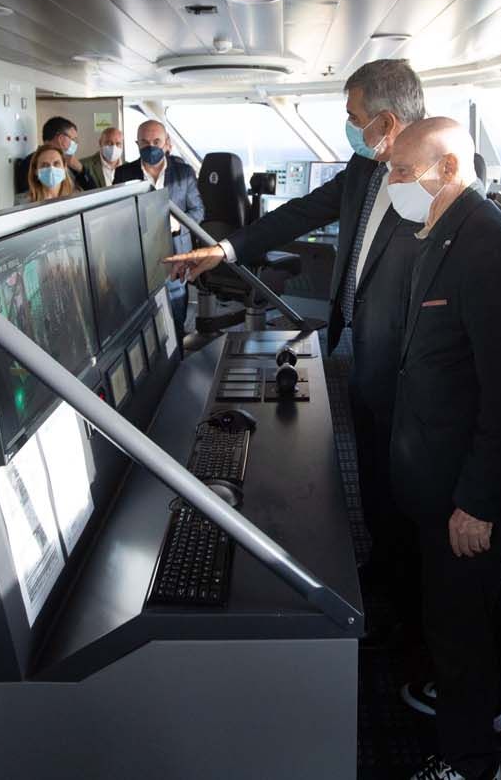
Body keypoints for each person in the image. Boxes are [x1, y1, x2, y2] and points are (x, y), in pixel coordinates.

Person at [165, 57, 428, 645]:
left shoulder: (437, 180)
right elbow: (299, 213)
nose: (347, 124)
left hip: (413, 366)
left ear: (385, 119)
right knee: (372, 472)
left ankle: (417, 614)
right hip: (361, 346)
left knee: (411, 489)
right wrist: (225, 250)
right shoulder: (364, 170)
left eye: (352, 116)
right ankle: (382, 571)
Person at [384, 118, 501, 780]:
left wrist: (475, 503)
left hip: (462, 490)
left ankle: (470, 762)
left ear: (447, 168)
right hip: (436, 473)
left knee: (459, 627)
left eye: (401, 171)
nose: (393, 184)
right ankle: (484, 707)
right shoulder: (441, 232)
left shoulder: (489, 246)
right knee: (464, 611)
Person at [114, 119, 203, 337]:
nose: (151, 146)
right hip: (137, 260)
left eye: (156, 141)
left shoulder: (184, 173)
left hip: (175, 258)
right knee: (141, 324)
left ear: (167, 144)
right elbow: (116, 216)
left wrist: (178, 223)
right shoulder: (124, 174)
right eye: (145, 142)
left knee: (176, 317)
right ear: (137, 144)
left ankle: (179, 359)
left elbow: (198, 211)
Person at [42, 115, 96, 192]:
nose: (76, 143)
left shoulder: (69, 163)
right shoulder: (32, 163)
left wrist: (81, 169)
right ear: (61, 139)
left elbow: (93, 190)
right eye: (73, 139)